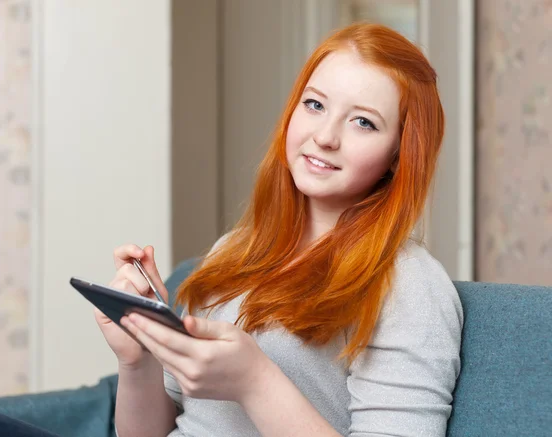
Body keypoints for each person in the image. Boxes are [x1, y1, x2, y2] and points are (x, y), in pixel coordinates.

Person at [99, 22, 463, 437]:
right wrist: (137, 358)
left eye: (363, 122)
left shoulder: (409, 286)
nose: (324, 136)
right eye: (315, 105)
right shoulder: (233, 251)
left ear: (399, 156)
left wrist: (256, 382)